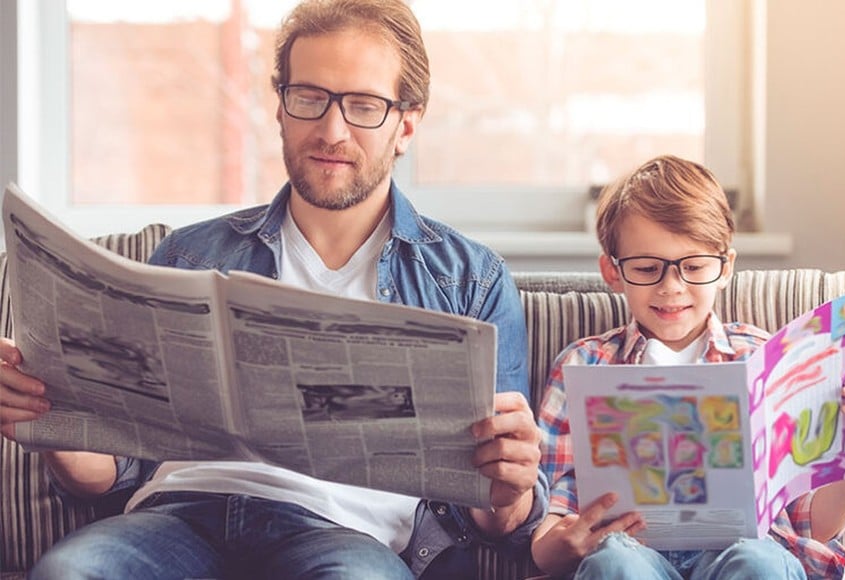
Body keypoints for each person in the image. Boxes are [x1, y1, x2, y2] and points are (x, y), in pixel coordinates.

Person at [0, 1, 545, 578]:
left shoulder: (470, 280)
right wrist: (50, 418)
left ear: (405, 124)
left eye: (363, 106)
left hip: (344, 534)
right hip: (178, 517)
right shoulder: (188, 257)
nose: (332, 131)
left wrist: (510, 487)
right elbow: (114, 473)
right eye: (309, 97)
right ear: (281, 108)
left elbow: (499, 514)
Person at [531, 155, 845, 579]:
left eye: (693, 267)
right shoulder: (584, 364)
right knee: (614, 561)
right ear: (612, 272)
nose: (671, 286)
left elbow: (814, 524)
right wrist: (562, 544)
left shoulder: (763, 359)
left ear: (725, 267)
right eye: (647, 268)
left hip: (744, 553)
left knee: (760, 560)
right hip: (631, 555)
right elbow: (545, 530)